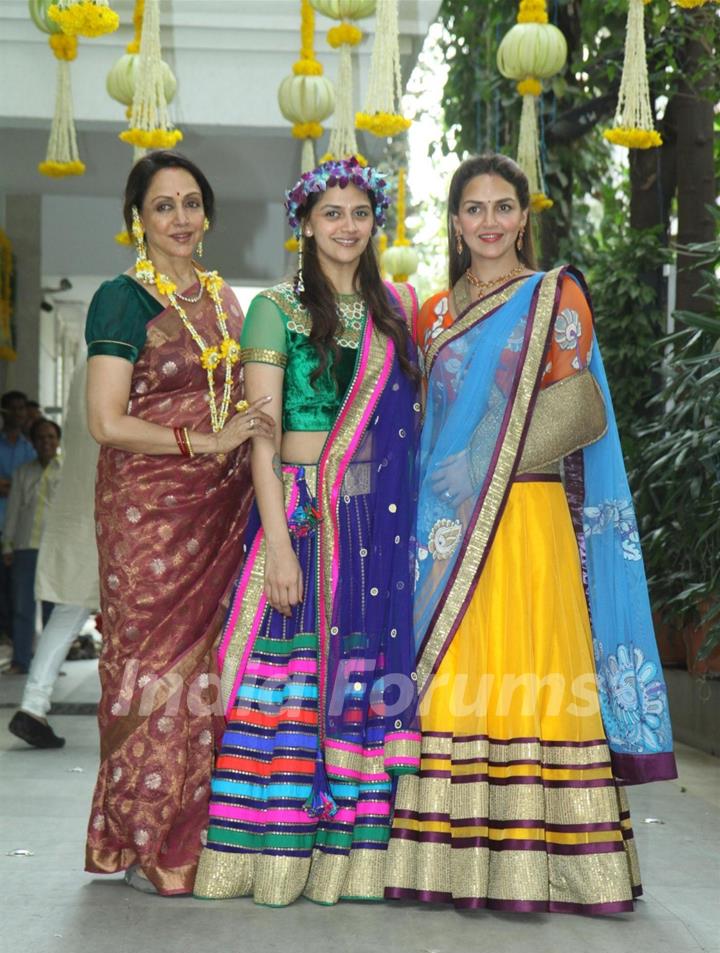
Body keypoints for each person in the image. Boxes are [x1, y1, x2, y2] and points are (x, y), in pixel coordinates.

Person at [385, 153, 677, 914]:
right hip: (447, 532)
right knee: (456, 679)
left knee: (536, 669)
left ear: (524, 216)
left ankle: (553, 870)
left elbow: (579, 408)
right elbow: (419, 426)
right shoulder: (435, 315)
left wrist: (481, 457)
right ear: (454, 222)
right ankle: (451, 866)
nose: (489, 222)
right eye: (473, 208)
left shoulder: (555, 295)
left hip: (528, 516)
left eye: (503, 207)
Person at [193, 158, 422, 907]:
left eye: (359, 213)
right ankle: (269, 858)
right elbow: (263, 440)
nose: (347, 227)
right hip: (303, 510)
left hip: (375, 524)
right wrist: (281, 547)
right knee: (287, 683)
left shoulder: (397, 311)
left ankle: (351, 863)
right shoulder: (277, 310)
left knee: (358, 678)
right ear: (305, 223)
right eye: (332, 213)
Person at [85, 150, 275, 896]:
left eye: (192, 203)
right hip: (148, 514)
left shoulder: (228, 303)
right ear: (138, 217)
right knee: (151, 674)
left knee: (211, 672)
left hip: (221, 509)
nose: (181, 219)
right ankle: (141, 840)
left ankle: (198, 839)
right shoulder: (122, 300)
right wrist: (206, 442)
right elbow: (105, 422)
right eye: (164, 206)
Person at [8, 363, 99, 750]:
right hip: (110, 510)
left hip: (78, 512)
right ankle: (132, 712)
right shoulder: (122, 359)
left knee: (68, 611)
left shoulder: (87, 366)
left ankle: (33, 705)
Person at [2, 418, 62, 674]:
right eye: (40, 438)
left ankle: (50, 665)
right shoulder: (23, 472)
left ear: (58, 441)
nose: (46, 442)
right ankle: (21, 661)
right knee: (23, 608)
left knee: (53, 610)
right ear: (33, 443)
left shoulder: (69, 472)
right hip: (26, 547)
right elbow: (13, 510)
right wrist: (7, 545)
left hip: (56, 550)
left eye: (50, 437)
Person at [0, 391, 36, 642]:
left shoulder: (32, 447)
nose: (18, 413)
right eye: (13, 408)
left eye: (22, 408)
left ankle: (15, 639)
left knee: (17, 590)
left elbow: (30, 487)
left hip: (19, 530)